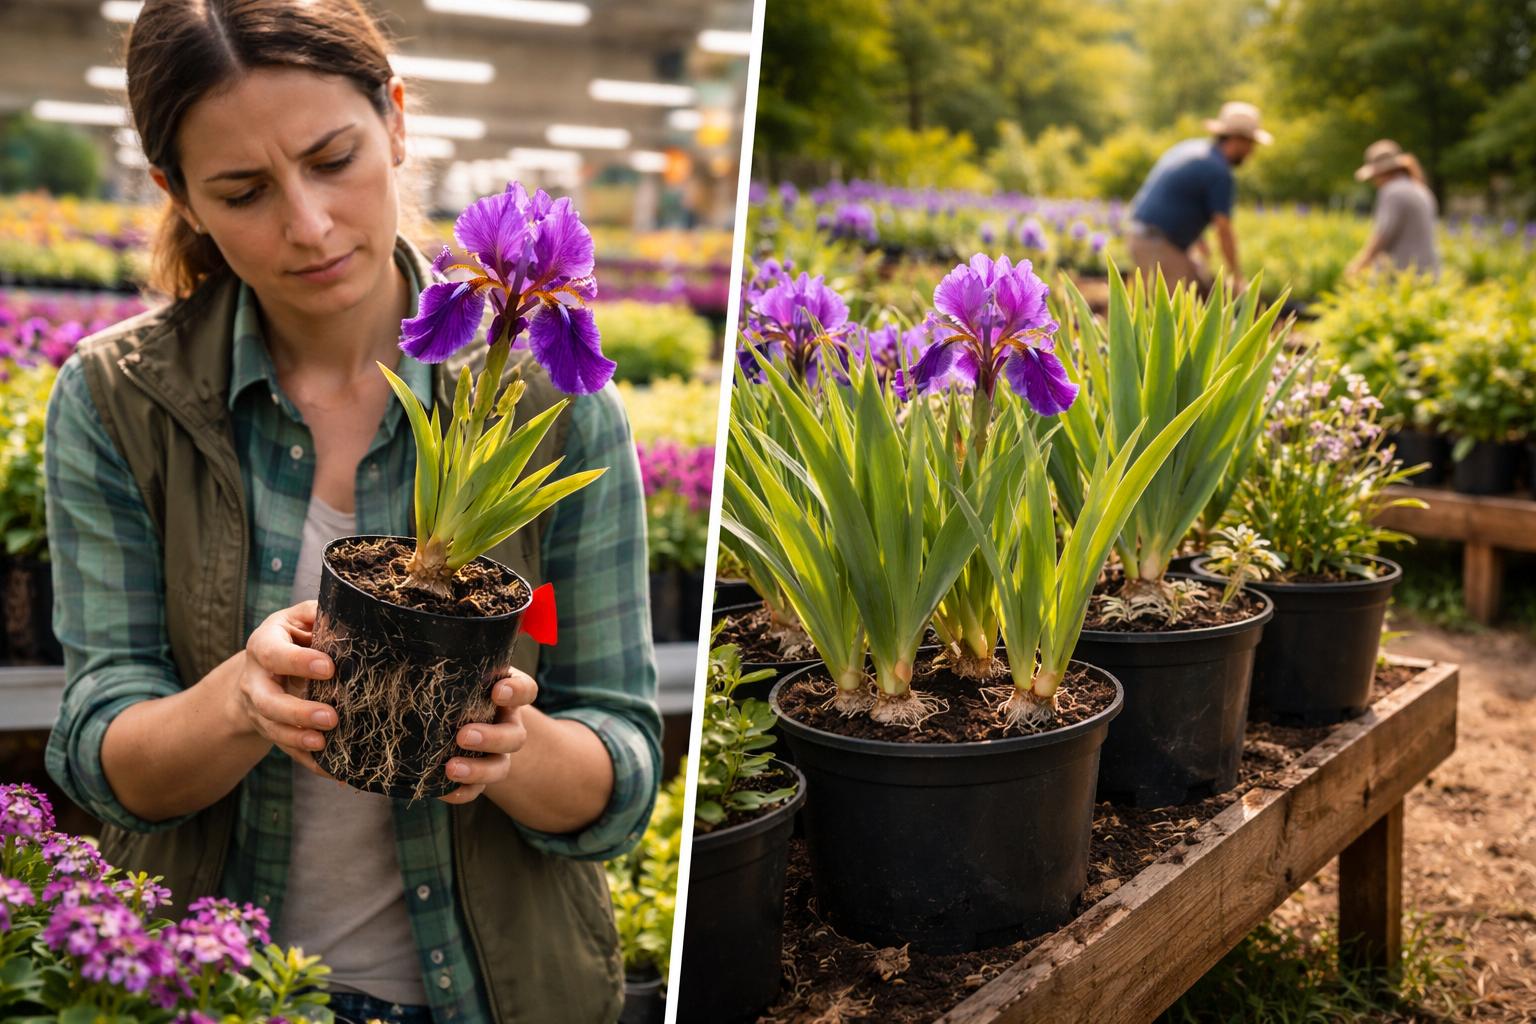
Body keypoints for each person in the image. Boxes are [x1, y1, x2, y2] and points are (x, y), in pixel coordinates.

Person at [42, 1, 660, 1022]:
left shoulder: (559, 407)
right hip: (222, 996)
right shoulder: (121, 401)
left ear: (397, 121)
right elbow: (102, 744)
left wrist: (512, 744)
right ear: (178, 195)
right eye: (243, 192)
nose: (309, 225)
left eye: (334, 159)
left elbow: (623, 763)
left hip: (491, 994)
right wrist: (242, 698)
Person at [1126, 101, 1273, 293]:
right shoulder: (1219, 171)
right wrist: (1236, 275)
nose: (1252, 151)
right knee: (1181, 310)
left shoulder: (1192, 149)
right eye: (1250, 144)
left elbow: (1182, 199)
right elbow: (1223, 229)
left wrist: (1198, 240)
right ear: (1238, 140)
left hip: (1142, 235)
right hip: (1157, 243)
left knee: (1197, 288)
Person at [1345, 139, 1441, 278]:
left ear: (1381, 172)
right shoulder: (1420, 189)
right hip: (1428, 272)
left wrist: (1359, 265)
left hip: (1401, 275)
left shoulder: (1392, 192)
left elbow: (1383, 234)